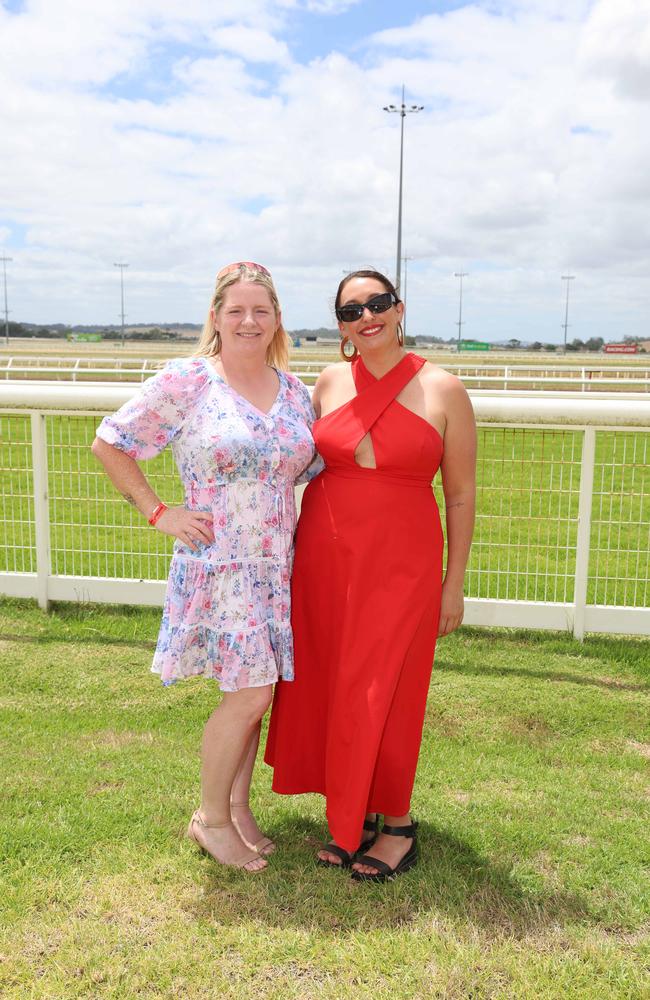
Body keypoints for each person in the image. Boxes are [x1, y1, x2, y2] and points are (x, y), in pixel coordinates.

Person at [91, 261, 320, 874]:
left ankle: (238, 808)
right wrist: (157, 511)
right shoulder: (189, 382)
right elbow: (110, 441)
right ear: (216, 317)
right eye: (236, 310)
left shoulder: (295, 391)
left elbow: (317, 471)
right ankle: (210, 819)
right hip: (220, 566)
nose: (249, 321)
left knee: (256, 691)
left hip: (276, 568)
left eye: (261, 311)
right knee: (248, 694)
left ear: (276, 321)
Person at [265, 268, 476, 882]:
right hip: (324, 558)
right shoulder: (329, 380)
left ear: (400, 307)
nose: (366, 317)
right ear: (340, 325)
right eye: (351, 310)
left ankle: (399, 824)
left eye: (377, 304)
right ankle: (350, 815)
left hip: (401, 562)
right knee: (333, 679)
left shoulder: (444, 389)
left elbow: (459, 496)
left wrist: (452, 584)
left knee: (390, 686)